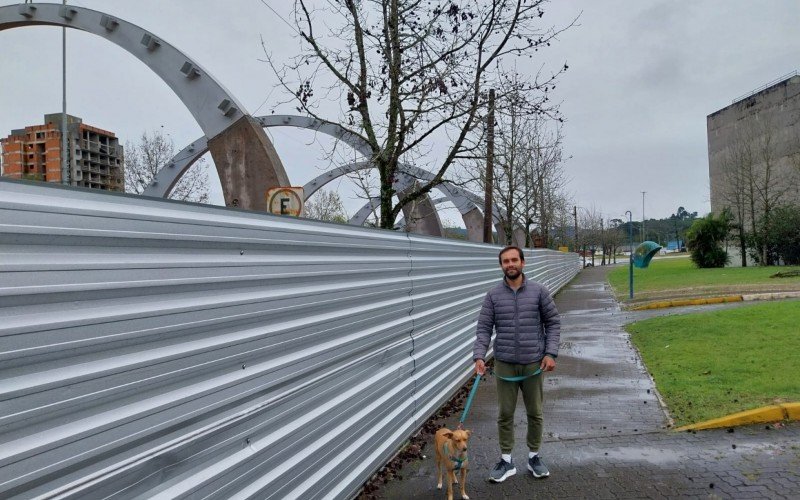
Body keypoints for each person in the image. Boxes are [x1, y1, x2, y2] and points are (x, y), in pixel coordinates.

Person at [473, 245, 561, 483]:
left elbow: (552, 323)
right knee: (505, 414)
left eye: (514, 260)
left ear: (523, 263)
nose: (510, 264)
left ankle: (534, 457)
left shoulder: (539, 292)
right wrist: (479, 356)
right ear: (501, 265)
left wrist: (550, 353)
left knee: (535, 413)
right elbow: (483, 329)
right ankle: (506, 461)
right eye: (505, 261)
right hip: (505, 364)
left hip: (534, 363)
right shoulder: (492, 295)